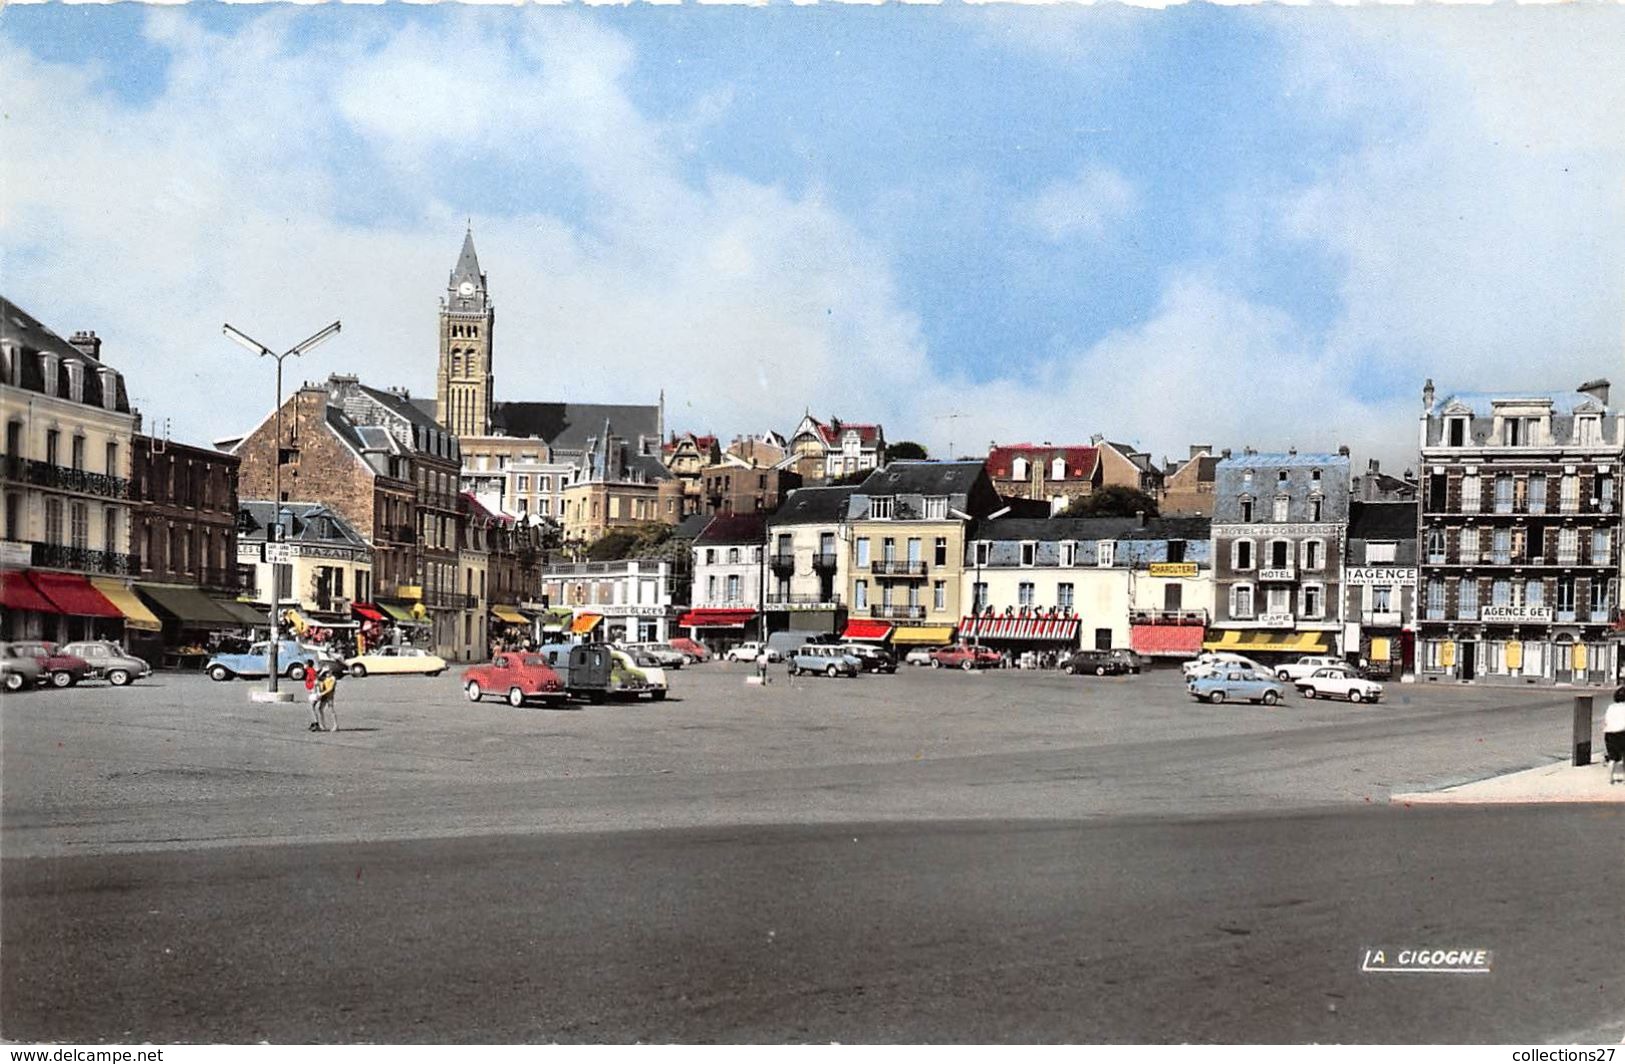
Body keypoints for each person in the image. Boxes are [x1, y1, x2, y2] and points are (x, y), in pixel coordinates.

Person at [1604, 685, 1625, 785]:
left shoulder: (1611, 707)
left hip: (1610, 733)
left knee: (1612, 758)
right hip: (1623, 732)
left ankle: (1610, 778)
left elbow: (1606, 720)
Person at [315, 667, 339, 733]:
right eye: (326, 672)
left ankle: (335, 725)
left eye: (328, 672)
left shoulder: (332, 678)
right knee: (320, 709)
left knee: (331, 709)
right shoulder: (325, 678)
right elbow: (317, 677)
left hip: (329, 695)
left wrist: (322, 693)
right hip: (324, 696)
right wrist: (322, 671)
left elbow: (330, 688)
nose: (327, 674)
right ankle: (322, 725)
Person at [304, 666, 322, 732]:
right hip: (314, 693)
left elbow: (316, 682)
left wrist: (314, 691)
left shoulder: (311, 672)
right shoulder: (310, 671)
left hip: (314, 694)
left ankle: (316, 723)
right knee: (312, 708)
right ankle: (314, 722)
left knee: (312, 708)